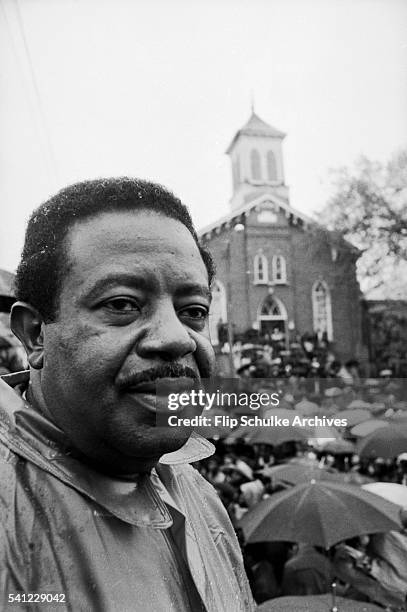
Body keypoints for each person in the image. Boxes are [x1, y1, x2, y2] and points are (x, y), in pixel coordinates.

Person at [0, 178, 255, 611]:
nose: (178, 339)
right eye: (122, 304)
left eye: (194, 312)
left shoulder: (198, 494)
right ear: (36, 333)